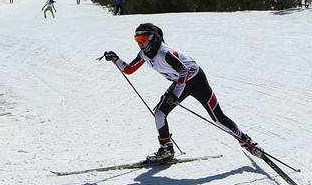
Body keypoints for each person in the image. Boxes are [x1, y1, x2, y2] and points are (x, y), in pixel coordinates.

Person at [102, 22, 254, 163]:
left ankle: (246, 141)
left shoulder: (164, 53)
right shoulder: (144, 54)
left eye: (142, 39)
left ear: (152, 38)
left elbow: (184, 71)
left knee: (218, 118)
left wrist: (175, 94)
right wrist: (116, 59)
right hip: (180, 82)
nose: (140, 43)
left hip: (196, 80)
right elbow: (130, 69)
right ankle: (166, 149)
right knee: (160, 113)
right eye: (137, 39)